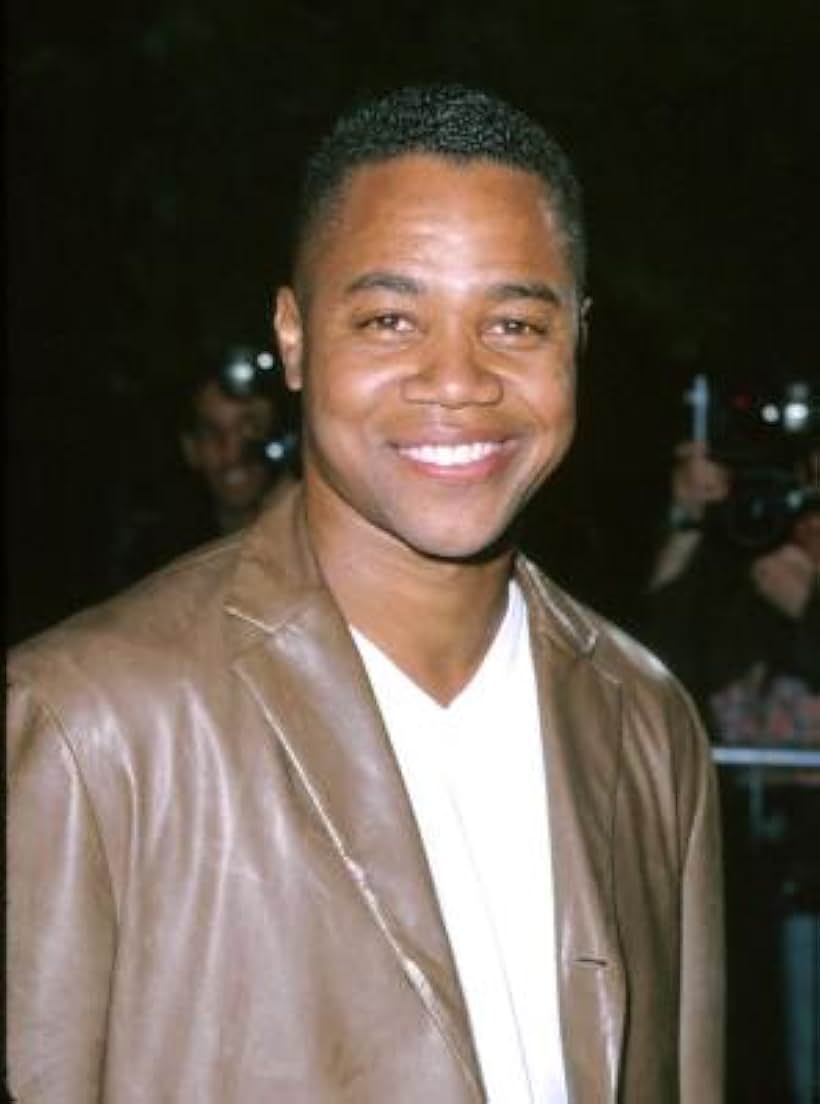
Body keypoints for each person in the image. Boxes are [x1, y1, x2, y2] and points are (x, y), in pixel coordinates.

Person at [7, 84, 724, 1103]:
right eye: (390, 319)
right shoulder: (90, 724)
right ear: (295, 338)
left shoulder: (648, 724)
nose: (457, 379)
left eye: (514, 323)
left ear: (577, 339)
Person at [109, 350, 297, 587]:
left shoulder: (313, 535)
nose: (231, 452)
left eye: (248, 427)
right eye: (213, 433)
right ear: (190, 447)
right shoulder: (160, 559)